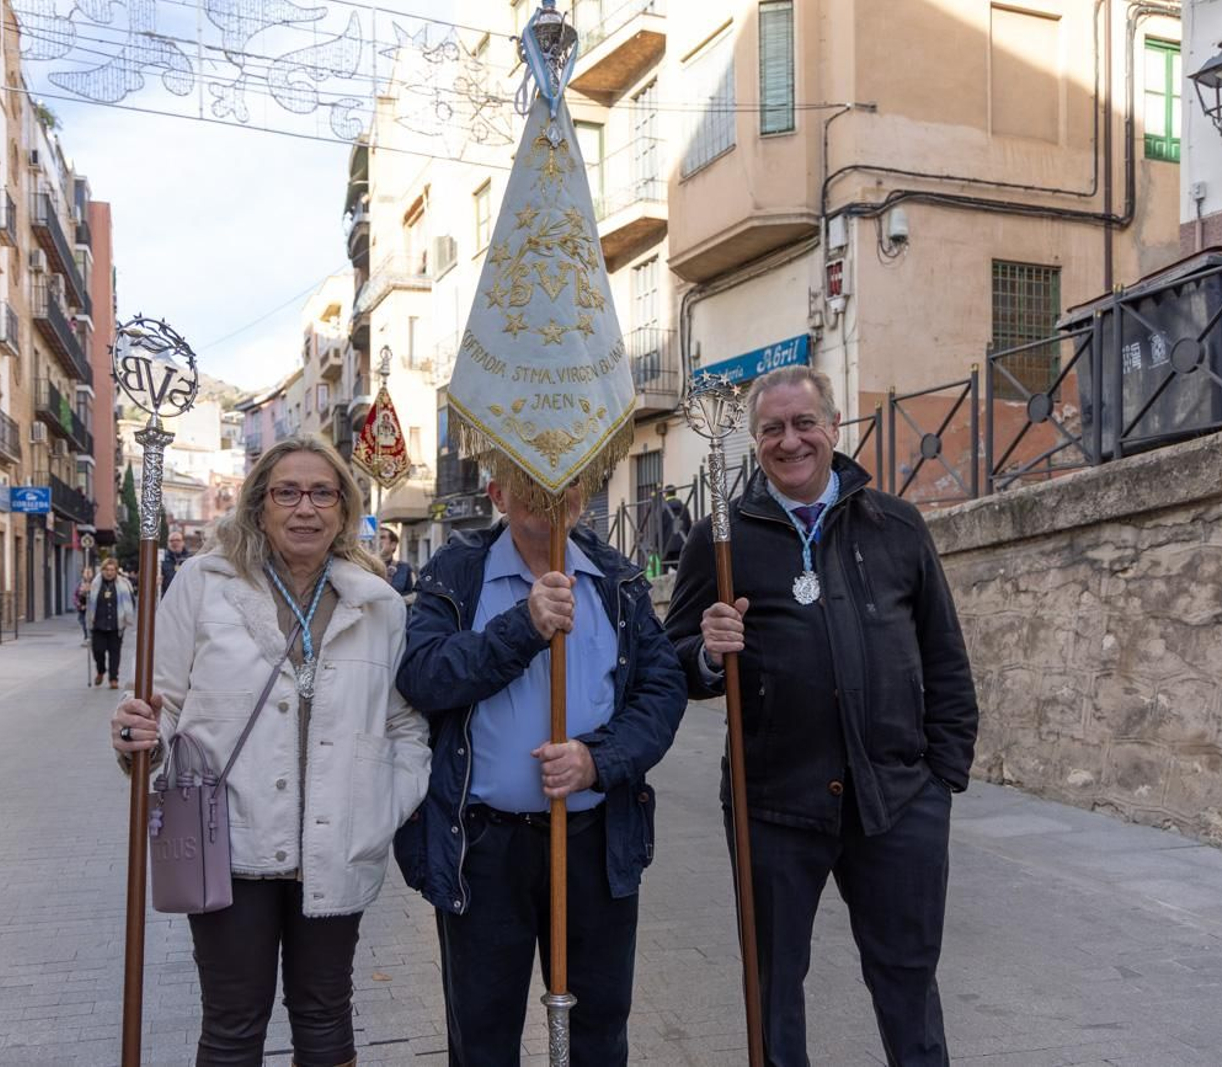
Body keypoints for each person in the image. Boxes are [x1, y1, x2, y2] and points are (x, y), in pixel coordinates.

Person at [665, 365, 979, 1067]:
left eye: (804, 422)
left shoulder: (897, 525)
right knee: (773, 989)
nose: (790, 440)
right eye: (772, 428)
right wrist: (709, 656)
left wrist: (941, 779)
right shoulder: (721, 539)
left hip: (896, 802)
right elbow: (671, 660)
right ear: (754, 440)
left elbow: (946, 657)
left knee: (908, 982)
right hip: (772, 804)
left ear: (834, 428)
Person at [110, 437, 431, 1067]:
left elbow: (404, 720)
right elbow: (160, 700)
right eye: (287, 492)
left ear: (344, 509)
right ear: (260, 506)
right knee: (232, 1022)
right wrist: (134, 733)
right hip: (226, 841)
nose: (304, 508)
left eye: (322, 493)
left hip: (338, 840)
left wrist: (387, 799)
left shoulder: (379, 604)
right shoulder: (206, 584)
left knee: (325, 1014)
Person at [394, 473, 688, 1065]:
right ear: (497, 494)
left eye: (570, 477)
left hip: (595, 842)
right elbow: (422, 675)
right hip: (482, 847)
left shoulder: (616, 577)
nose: (554, 490)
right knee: (482, 1038)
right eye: (531, 478)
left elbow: (662, 688)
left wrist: (596, 760)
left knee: (599, 1032)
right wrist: (522, 628)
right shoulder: (457, 573)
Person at [86, 558, 134, 689]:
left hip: (116, 624)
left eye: (112, 570)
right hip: (98, 624)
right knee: (98, 651)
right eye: (107, 569)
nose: (109, 572)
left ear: (116, 571)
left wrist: (126, 616)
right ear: (102, 570)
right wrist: (85, 590)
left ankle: (113, 678)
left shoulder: (123, 584)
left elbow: (131, 601)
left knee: (115, 652)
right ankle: (101, 671)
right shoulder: (94, 584)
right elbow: (83, 600)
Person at [655, 485, 692, 574]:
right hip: (681, 545)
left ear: (665, 494)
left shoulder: (662, 509)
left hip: (666, 546)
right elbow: (689, 526)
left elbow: (658, 528)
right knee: (682, 570)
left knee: (663, 571)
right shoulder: (684, 507)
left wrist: (656, 545)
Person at [377, 527, 416, 597]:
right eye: (375, 537)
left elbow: (414, 594)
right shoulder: (365, 566)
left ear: (393, 545)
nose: (377, 541)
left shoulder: (405, 568)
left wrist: (395, 601)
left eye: (382, 537)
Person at [161, 529, 193, 594]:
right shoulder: (161, 559)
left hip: (184, 596)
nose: (175, 543)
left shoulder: (190, 559)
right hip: (167, 596)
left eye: (178, 540)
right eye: (171, 540)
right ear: (167, 543)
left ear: (183, 542)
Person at [74, 566, 94, 644]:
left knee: (90, 623)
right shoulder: (80, 584)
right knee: (83, 622)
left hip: (92, 609)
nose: (88, 575)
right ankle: (86, 636)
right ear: (83, 574)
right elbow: (75, 596)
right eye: (86, 573)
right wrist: (79, 605)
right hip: (82, 608)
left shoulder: (95, 583)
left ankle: (90, 637)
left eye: (90, 573)